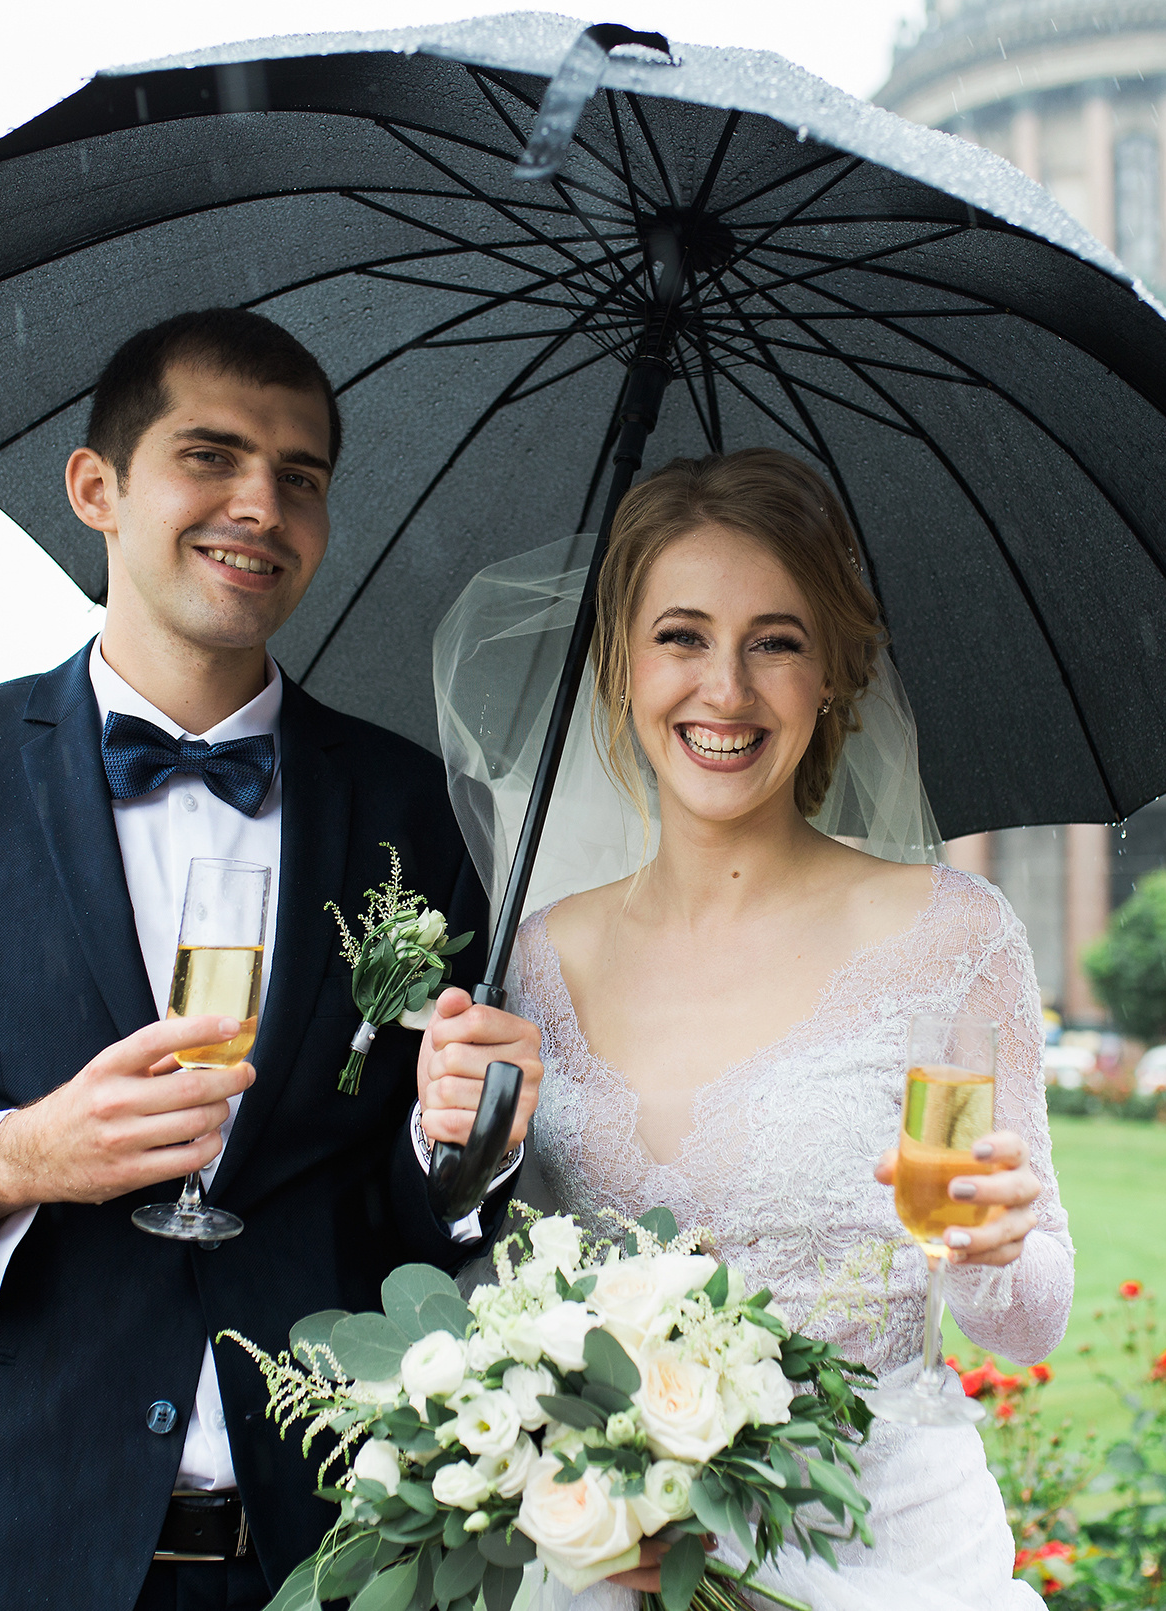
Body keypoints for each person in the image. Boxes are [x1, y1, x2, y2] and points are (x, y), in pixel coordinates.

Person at [0, 310, 544, 1611]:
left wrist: (455, 1143)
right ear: (97, 486)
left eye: (301, 475)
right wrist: (20, 1155)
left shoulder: (418, 804)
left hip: (326, 1549)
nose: (259, 503)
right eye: (210, 455)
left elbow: (397, 1211)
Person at [453, 449, 1070, 1609]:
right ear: (619, 666)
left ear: (834, 673)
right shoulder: (534, 959)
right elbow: (489, 1266)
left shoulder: (953, 939)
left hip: (880, 1559)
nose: (725, 690)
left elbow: (1031, 1319)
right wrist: (456, 1138)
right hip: (608, 1566)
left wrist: (989, 1254)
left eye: (775, 641)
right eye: (681, 636)